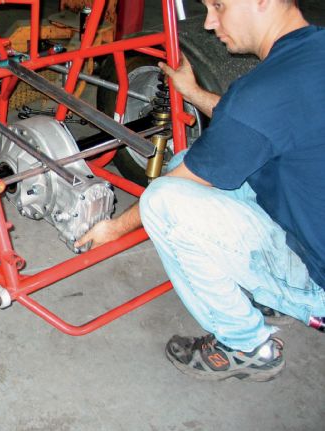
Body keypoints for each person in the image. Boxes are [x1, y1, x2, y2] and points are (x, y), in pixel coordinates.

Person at [76, 0, 325, 381]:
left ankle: (247, 345)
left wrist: (112, 229)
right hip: (309, 230)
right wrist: (191, 94)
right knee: (186, 161)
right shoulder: (310, 54)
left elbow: (248, 116)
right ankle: (271, 293)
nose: (209, 23)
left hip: (316, 282)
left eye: (219, 6)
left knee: (162, 200)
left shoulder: (262, 91)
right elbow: (255, 120)